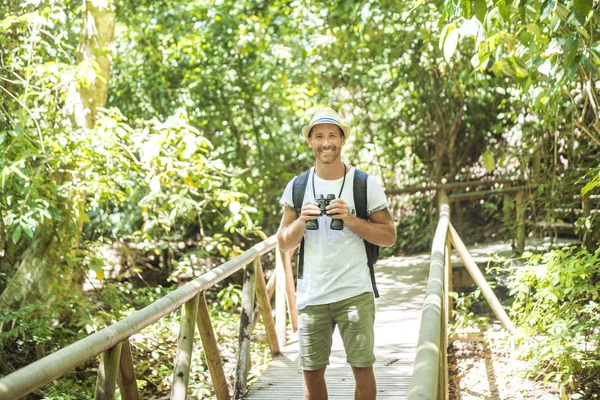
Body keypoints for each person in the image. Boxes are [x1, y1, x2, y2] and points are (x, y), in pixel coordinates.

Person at [277, 107, 396, 400]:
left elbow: (389, 236)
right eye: (319, 136)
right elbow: (283, 241)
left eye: (332, 135)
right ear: (310, 142)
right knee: (312, 374)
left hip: (354, 290)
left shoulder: (364, 183)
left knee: (362, 368)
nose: (326, 142)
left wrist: (352, 219)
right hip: (312, 295)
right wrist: (302, 222)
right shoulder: (298, 186)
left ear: (342, 140)